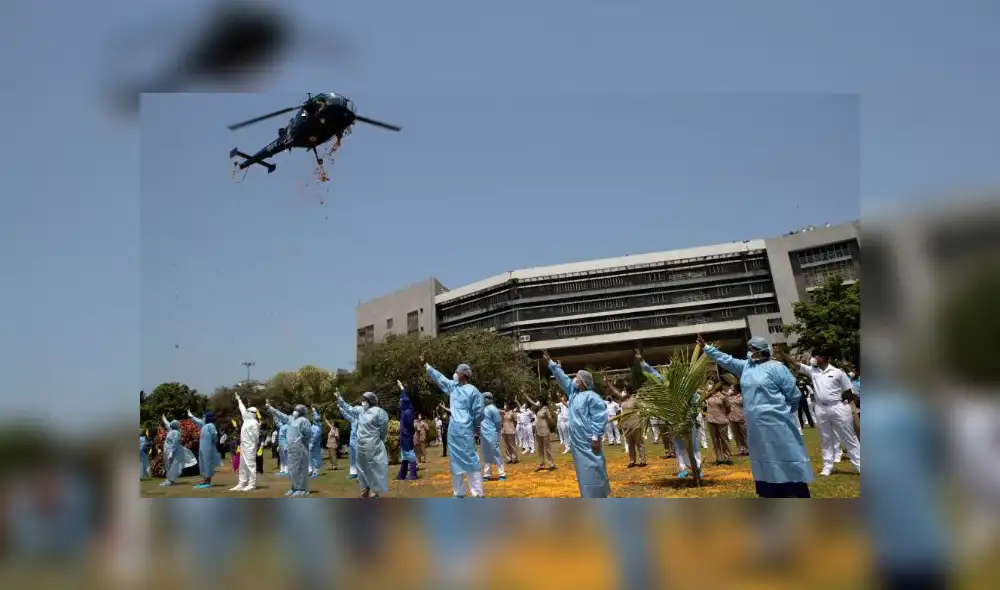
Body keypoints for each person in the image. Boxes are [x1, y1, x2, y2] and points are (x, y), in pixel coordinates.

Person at [699, 334, 814, 497]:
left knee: (784, 455)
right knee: (764, 457)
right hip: (756, 426)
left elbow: (793, 395)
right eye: (749, 348)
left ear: (762, 350)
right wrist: (706, 348)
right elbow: (726, 359)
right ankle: (769, 492)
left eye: (752, 349)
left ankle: (793, 491)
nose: (749, 352)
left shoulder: (777, 367)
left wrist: (783, 412)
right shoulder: (746, 367)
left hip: (778, 424)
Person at [543, 351, 610, 497]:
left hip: (588, 440)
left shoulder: (592, 397)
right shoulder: (573, 394)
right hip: (577, 441)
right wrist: (551, 363)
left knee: (594, 466)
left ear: (583, 382)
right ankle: (587, 494)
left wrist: (595, 437)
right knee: (582, 470)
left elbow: (599, 417)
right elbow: (563, 379)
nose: (575, 379)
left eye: (578, 378)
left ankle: (599, 493)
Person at [423, 354, 486, 498]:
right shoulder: (453, 387)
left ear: (463, 374)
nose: (455, 373)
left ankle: (476, 493)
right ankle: (459, 492)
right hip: (455, 431)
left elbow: (479, 412)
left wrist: (474, 427)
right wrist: (427, 366)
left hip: (464, 431)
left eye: (457, 371)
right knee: (455, 461)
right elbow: (440, 378)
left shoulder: (473, 391)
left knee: (470, 459)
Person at [793, 352, 861, 476]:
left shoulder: (838, 372)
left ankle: (860, 465)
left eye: (816, 356)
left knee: (849, 437)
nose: (813, 359)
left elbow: (849, 392)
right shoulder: (813, 371)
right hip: (821, 408)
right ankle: (827, 467)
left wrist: (843, 403)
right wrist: (781, 354)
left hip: (838, 406)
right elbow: (795, 364)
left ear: (823, 358)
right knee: (826, 438)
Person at [637, 352, 702, 479]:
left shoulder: (688, 383)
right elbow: (655, 375)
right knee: (679, 446)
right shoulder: (669, 383)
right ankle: (682, 469)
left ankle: (697, 468)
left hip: (689, 420)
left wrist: (693, 415)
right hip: (676, 421)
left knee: (693, 446)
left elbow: (696, 401)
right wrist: (642, 363)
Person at [338, 391, 389, 498]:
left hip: (373, 445)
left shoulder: (380, 412)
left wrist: (379, 440)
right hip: (361, 446)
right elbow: (349, 409)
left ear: (371, 401)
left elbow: (383, 430)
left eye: (365, 400)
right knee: (361, 468)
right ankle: (364, 490)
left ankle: (374, 491)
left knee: (373, 467)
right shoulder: (360, 410)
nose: (363, 402)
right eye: (363, 400)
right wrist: (340, 399)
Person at [266, 401, 312, 496]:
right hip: (291, 448)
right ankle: (294, 487)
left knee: (300, 468)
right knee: (291, 469)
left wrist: (301, 441)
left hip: (300, 448)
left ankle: (302, 488)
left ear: (301, 412)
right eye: (295, 409)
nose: (295, 411)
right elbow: (280, 415)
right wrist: (271, 408)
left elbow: (307, 434)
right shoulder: (290, 419)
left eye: (297, 410)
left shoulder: (304, 421)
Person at [607, 378, 647, 468]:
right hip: (626, 425)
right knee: (630, 444)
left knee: (639, 443)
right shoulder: (623, 399)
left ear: (629, 392)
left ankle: (643, 461)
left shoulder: (635, 400)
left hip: (635, 424)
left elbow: (642, 410)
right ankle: (632, 461)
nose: (624, 392)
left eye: (625, 391)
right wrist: (608, 383)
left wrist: (640, 420)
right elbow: (615, 391)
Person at [228, 394, 260, 492]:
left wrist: (254, 446)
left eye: (248, 411)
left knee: (250, 465)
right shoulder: (246, 419)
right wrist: (239, 399)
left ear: (252, 413)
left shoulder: (254, 423)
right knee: (242, 465)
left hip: (250, 446)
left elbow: (256, 437)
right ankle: (242, 483)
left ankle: (252, 484)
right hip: (243, 446)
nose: (245, 412)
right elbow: (242, 408)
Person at [187, 410, 222, 489]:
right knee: (202, 463)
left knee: (207, 463)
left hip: (208, 447)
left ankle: (208, 481)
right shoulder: (204, 425)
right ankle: (204, 480)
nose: (203, 418)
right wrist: (191, 415)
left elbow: (214, 436)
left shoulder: (211, 425)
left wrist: (214, 443)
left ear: (208, 418)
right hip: (202, 447)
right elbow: (197, 421)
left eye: (204, 417)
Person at [522, 393, 556, 471]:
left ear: (542, 401)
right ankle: (541, 464)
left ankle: (552, 464)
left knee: (547, 449)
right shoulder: (539, 408)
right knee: (540, 449)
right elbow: (531, 402)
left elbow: (550, 419)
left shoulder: (545, 409)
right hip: (538, 431)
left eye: (539, 401)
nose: (538, 402)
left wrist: (552, 426)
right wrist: (526, 395)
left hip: (545, 431)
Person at [479, 392, 507, 481]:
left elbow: (497, 422)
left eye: (485, 398)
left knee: (496, 452)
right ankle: (487, 474)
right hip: (483, 434)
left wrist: (497, 431)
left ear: (489, 399)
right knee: (485, 454)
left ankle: (502, 474)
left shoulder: (493, 409)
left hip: (492, 433)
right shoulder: (482, 409)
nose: (483, 400)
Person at [160, 416, 194, 486]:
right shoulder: (171, 430)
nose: (171, 425)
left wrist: (171, 452)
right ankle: (170, 480)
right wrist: (164, 419)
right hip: (168, 451)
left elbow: (175, 443)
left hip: (172, 452)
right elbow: (168, 424)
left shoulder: (176, 432)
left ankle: (170, 480)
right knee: (168, 465)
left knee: (171, 466)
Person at [703, 387, 733, 465]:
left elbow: (728, 408)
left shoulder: (723, 395)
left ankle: (728, 457)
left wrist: (723, 415)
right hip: (711, 420)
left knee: (724, 439)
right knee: (715, 440)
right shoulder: (709, 395)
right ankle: (719, 458)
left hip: (721, 420)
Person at [396, 380, 418, 481]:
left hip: (406, 436)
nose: (399, 403)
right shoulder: (405, 410)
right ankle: (402, 474)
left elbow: (409, 426)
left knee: (409, 454)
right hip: (404, 435)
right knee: (404, 455)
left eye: (400, 402)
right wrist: (401, 387)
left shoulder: (407, 412)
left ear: (404, 403)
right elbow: (404, 396)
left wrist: (409, 433)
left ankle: (413, 474)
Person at [727, 383, 749, 455]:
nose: (731, 389)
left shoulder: (742, 396)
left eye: (732, 388)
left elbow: (742, 403)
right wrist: (729, 395)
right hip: (732, 418)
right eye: (730, 388)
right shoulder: (729, 396)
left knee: (744, 434)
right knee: (736, 435)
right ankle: (741, 449)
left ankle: (747, 449)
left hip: (741, 418)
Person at [309, 408, 324, 477]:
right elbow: (316, 416)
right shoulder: (316, 426)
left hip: (315, 444)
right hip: (312, 443)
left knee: (315, 457)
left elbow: (315, 437)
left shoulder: (317, 428)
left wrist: (312, 443)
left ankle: (315, 471)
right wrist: (314, 410)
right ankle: (312, 470)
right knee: (311, 457)